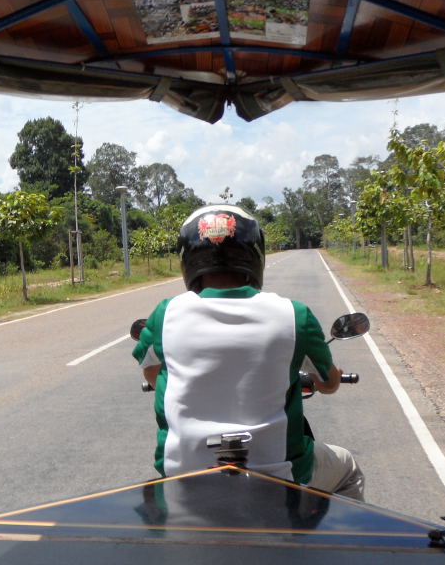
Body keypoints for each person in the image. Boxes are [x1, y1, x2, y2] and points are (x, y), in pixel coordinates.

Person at [132, 204, 364, 500]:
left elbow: (153, 375)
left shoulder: (166, 314)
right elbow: (329, 384)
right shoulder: (294, 315)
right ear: (256, 256)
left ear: (187, 259)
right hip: (282, 475)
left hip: (183, 475)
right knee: (347, 466)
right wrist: (330, 378)